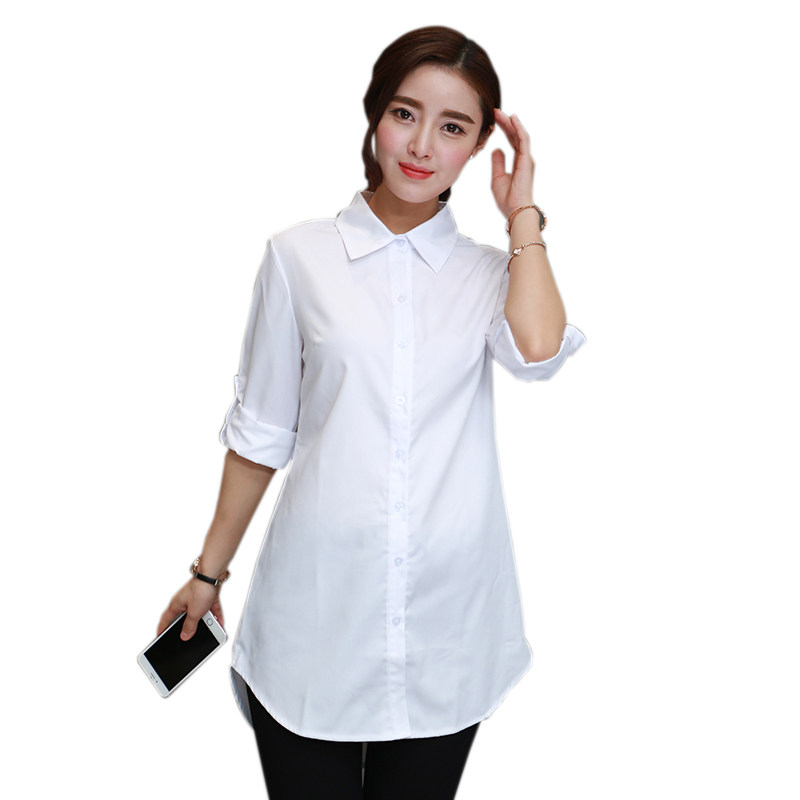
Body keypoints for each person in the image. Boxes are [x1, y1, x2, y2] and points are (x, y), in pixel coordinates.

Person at [157, 25, 585, 800]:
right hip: (314, 618)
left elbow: (539, 349)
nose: (421, 145)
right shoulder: (298, 257)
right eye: (404, 113)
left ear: (479, 145)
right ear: (375, 115)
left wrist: (523, 213)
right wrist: (206, 574)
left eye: (453, 126)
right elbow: (262, 432)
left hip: (448, 630)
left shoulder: (492, 274)